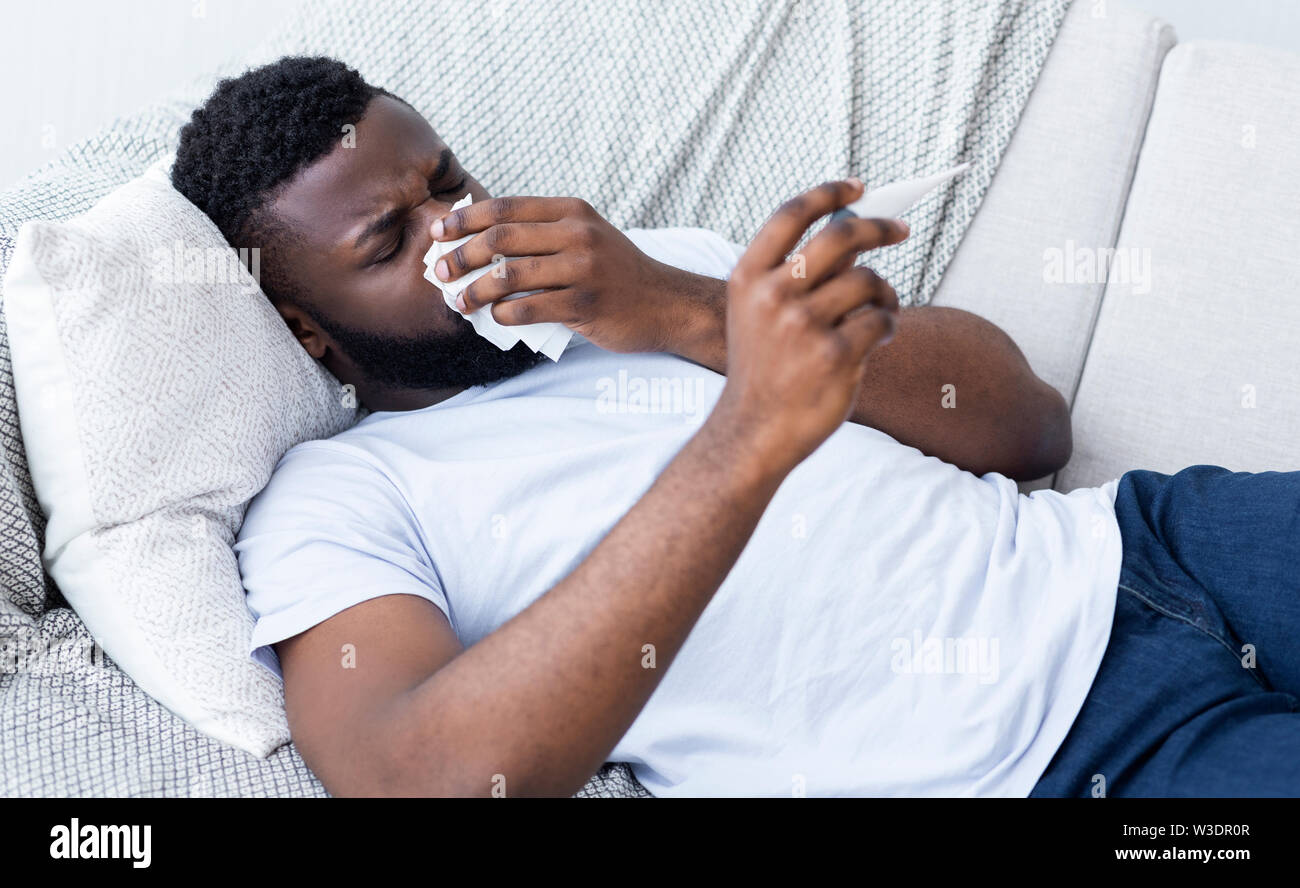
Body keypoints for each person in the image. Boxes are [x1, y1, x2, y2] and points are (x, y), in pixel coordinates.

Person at [173, 56, 1299, 797]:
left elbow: (1026, 427)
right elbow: (424, 777)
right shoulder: (341, 500)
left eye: (448, 179)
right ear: (308, 329)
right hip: (1060, 761)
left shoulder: (659, 273)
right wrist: (746, 432)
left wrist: (679, 306)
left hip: (1148, 548)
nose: (458, 226)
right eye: (388, 239)